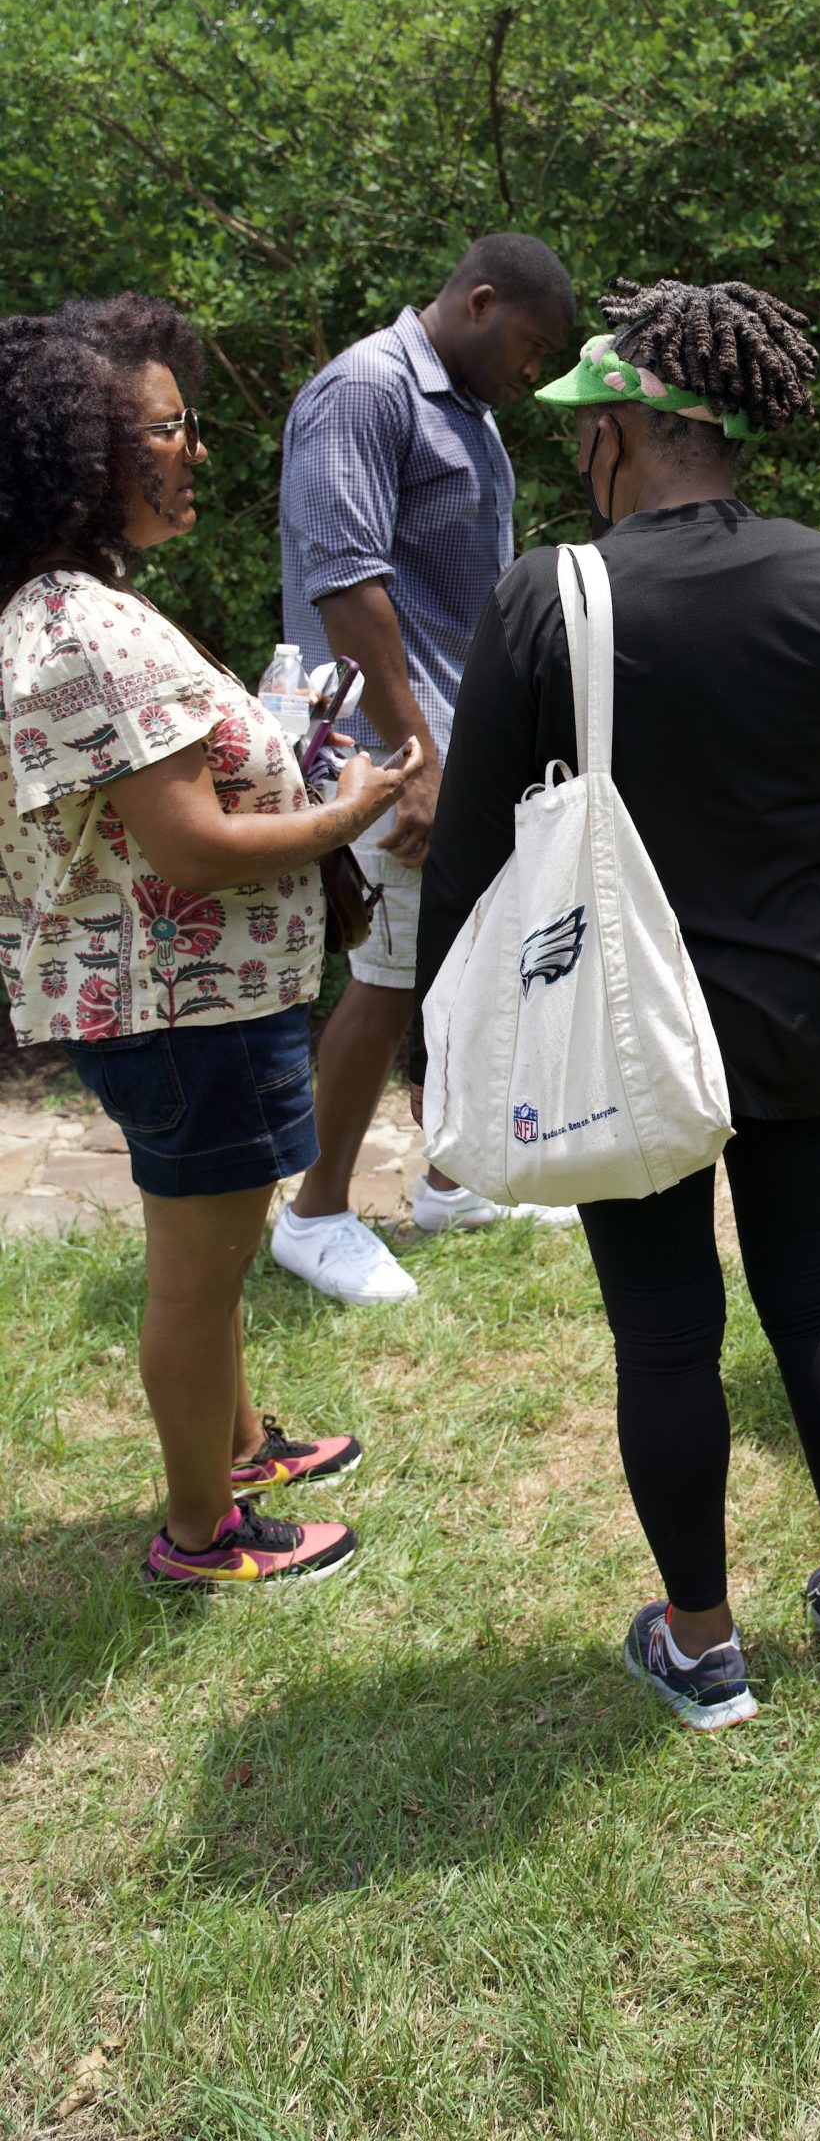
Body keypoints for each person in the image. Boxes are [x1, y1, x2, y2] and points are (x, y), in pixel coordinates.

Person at [414, 276, 820, 1728]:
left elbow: (473, 845)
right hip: (811, 1009)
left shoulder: (548, 594)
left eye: (585, 426)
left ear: (624, 429)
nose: (578, 452)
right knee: (813, 1292)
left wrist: (439, 1055)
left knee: (667, 1332)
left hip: (621, 1033)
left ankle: (702, 1644)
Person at [0, 298, 425, 1588]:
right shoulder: (82, 626)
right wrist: (350, 810)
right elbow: (187, 846)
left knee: (214, 1252)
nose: (196, 450)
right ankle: (202, 1535)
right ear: (86, 454)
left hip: (181, 1000)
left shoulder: (76, 605)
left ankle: (238, 1449)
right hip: (181, 1008)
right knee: (196, 1273)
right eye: (168, 430)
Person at [275, 233, 580, 1307]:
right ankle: (314, 1212)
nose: (534, 371)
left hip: (457, 744)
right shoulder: (367, 390)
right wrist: (414, 760)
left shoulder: (467, 409)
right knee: (390, 976)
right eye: (532, 345)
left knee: (467, 966)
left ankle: (454, 1179)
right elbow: (346, 587)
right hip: (393, 750)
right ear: (479, 300)